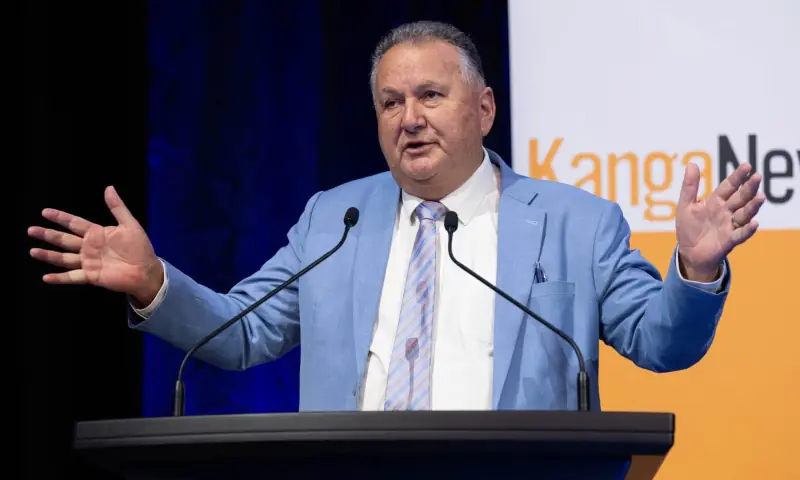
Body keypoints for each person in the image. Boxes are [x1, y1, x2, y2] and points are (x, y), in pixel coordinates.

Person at [28, 21, 764, 412]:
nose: (409, 118)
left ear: (484, 109)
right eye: (391, 102)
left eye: (431, 96)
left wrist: (696, 269)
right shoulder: (333, 218)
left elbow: (662, 344)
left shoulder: (578, 222)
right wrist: (154, 284)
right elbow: (243, 333)